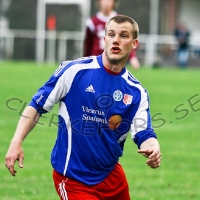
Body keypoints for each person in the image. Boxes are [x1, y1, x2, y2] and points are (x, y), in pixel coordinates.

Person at [5, 15, 161, 200]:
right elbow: (37, 105)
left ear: (134, 44)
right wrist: (16, 142)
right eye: (111, 34)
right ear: (104, 39)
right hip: (73, 178)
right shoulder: (74, 71)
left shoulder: (137, 92)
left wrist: (153, 147)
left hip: (110, 176)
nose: (116, 40)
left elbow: (144, 133)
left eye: (123, 35)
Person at [83, 0, 140, 70]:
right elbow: (88, 45)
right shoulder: (92, 22)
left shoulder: (121, 21)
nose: (106, 3)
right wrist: (86, 60)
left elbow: (128, 40)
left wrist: (132, 57)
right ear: (99, 2)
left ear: (114, 2)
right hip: (97, 60)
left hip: (115, 60)